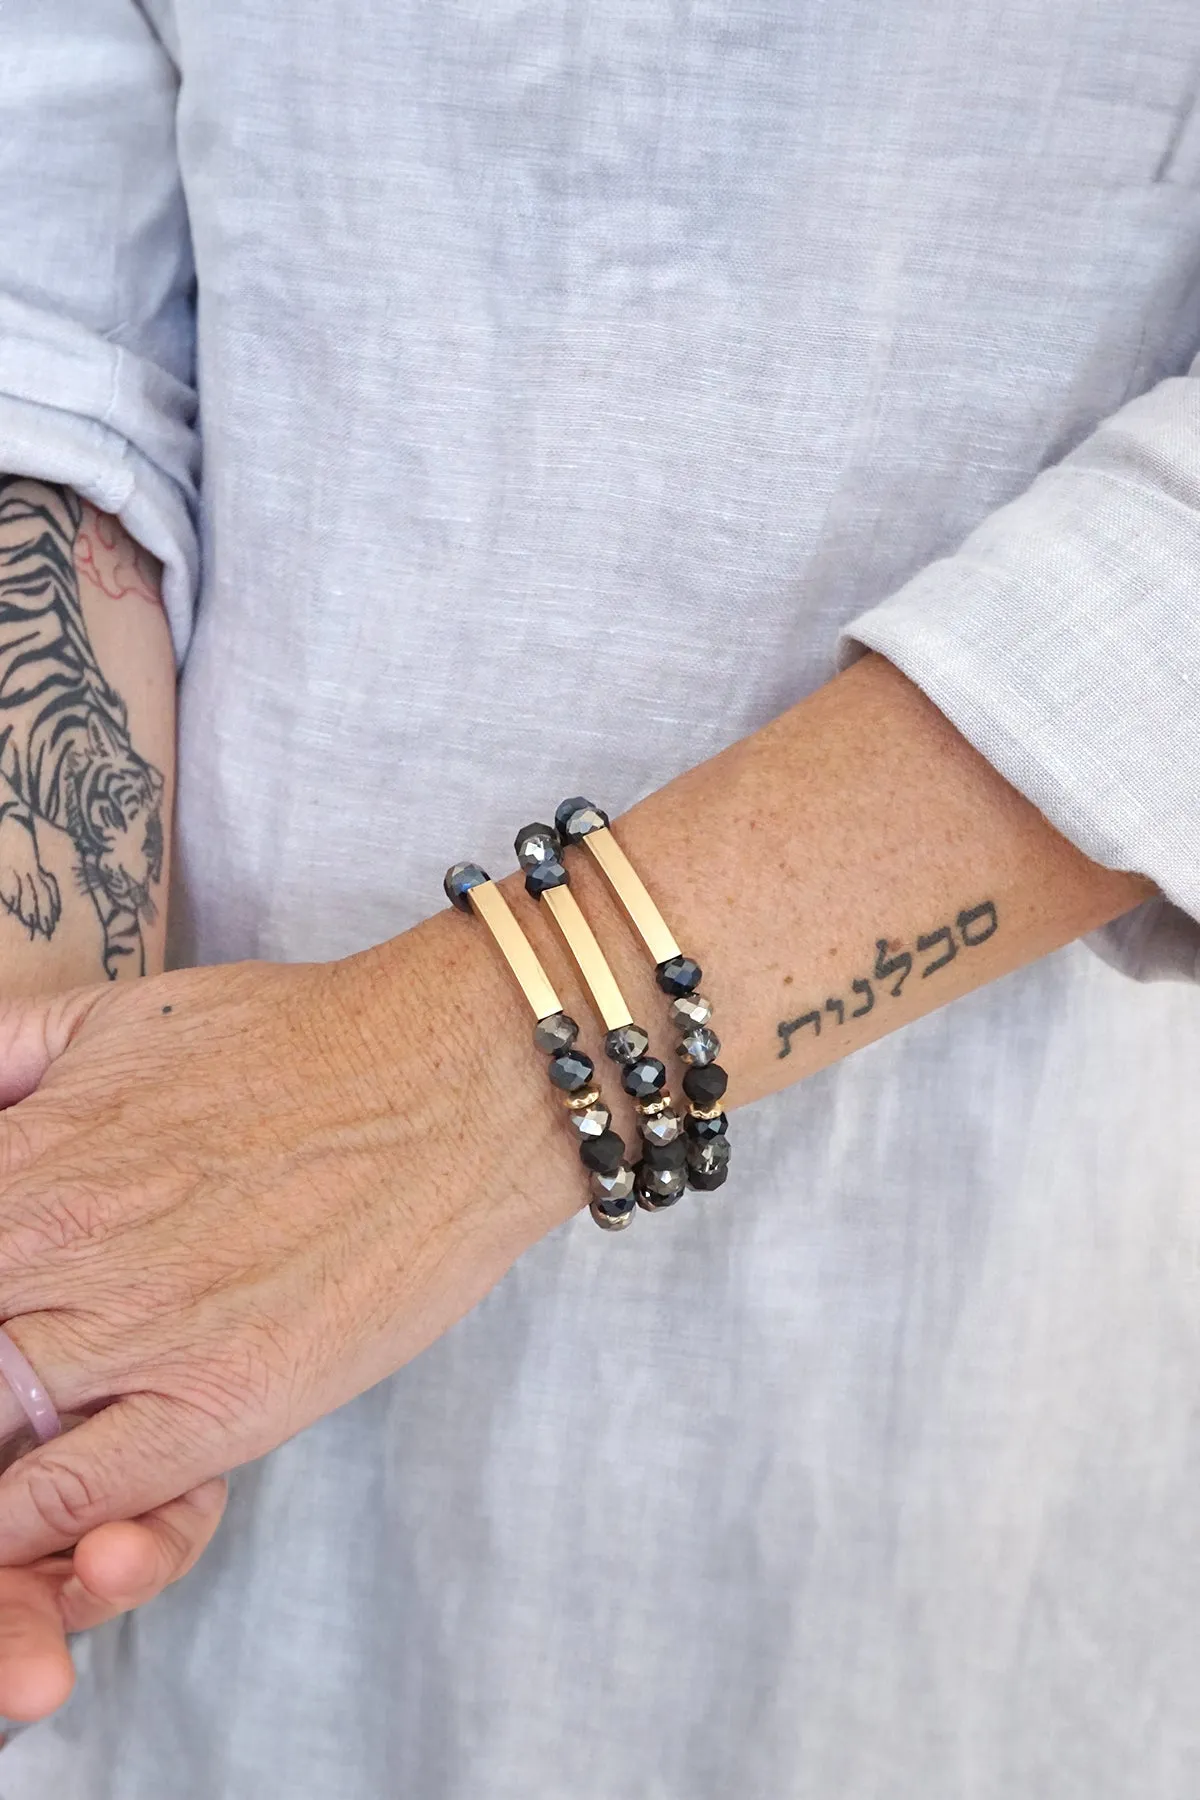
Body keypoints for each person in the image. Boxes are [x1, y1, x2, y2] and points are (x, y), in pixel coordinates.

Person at [0, 1, 1195, 1794]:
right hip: (186, 1412)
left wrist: (457, 1074)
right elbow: (53, 343)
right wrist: (60, 1186)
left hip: (936, 1396)